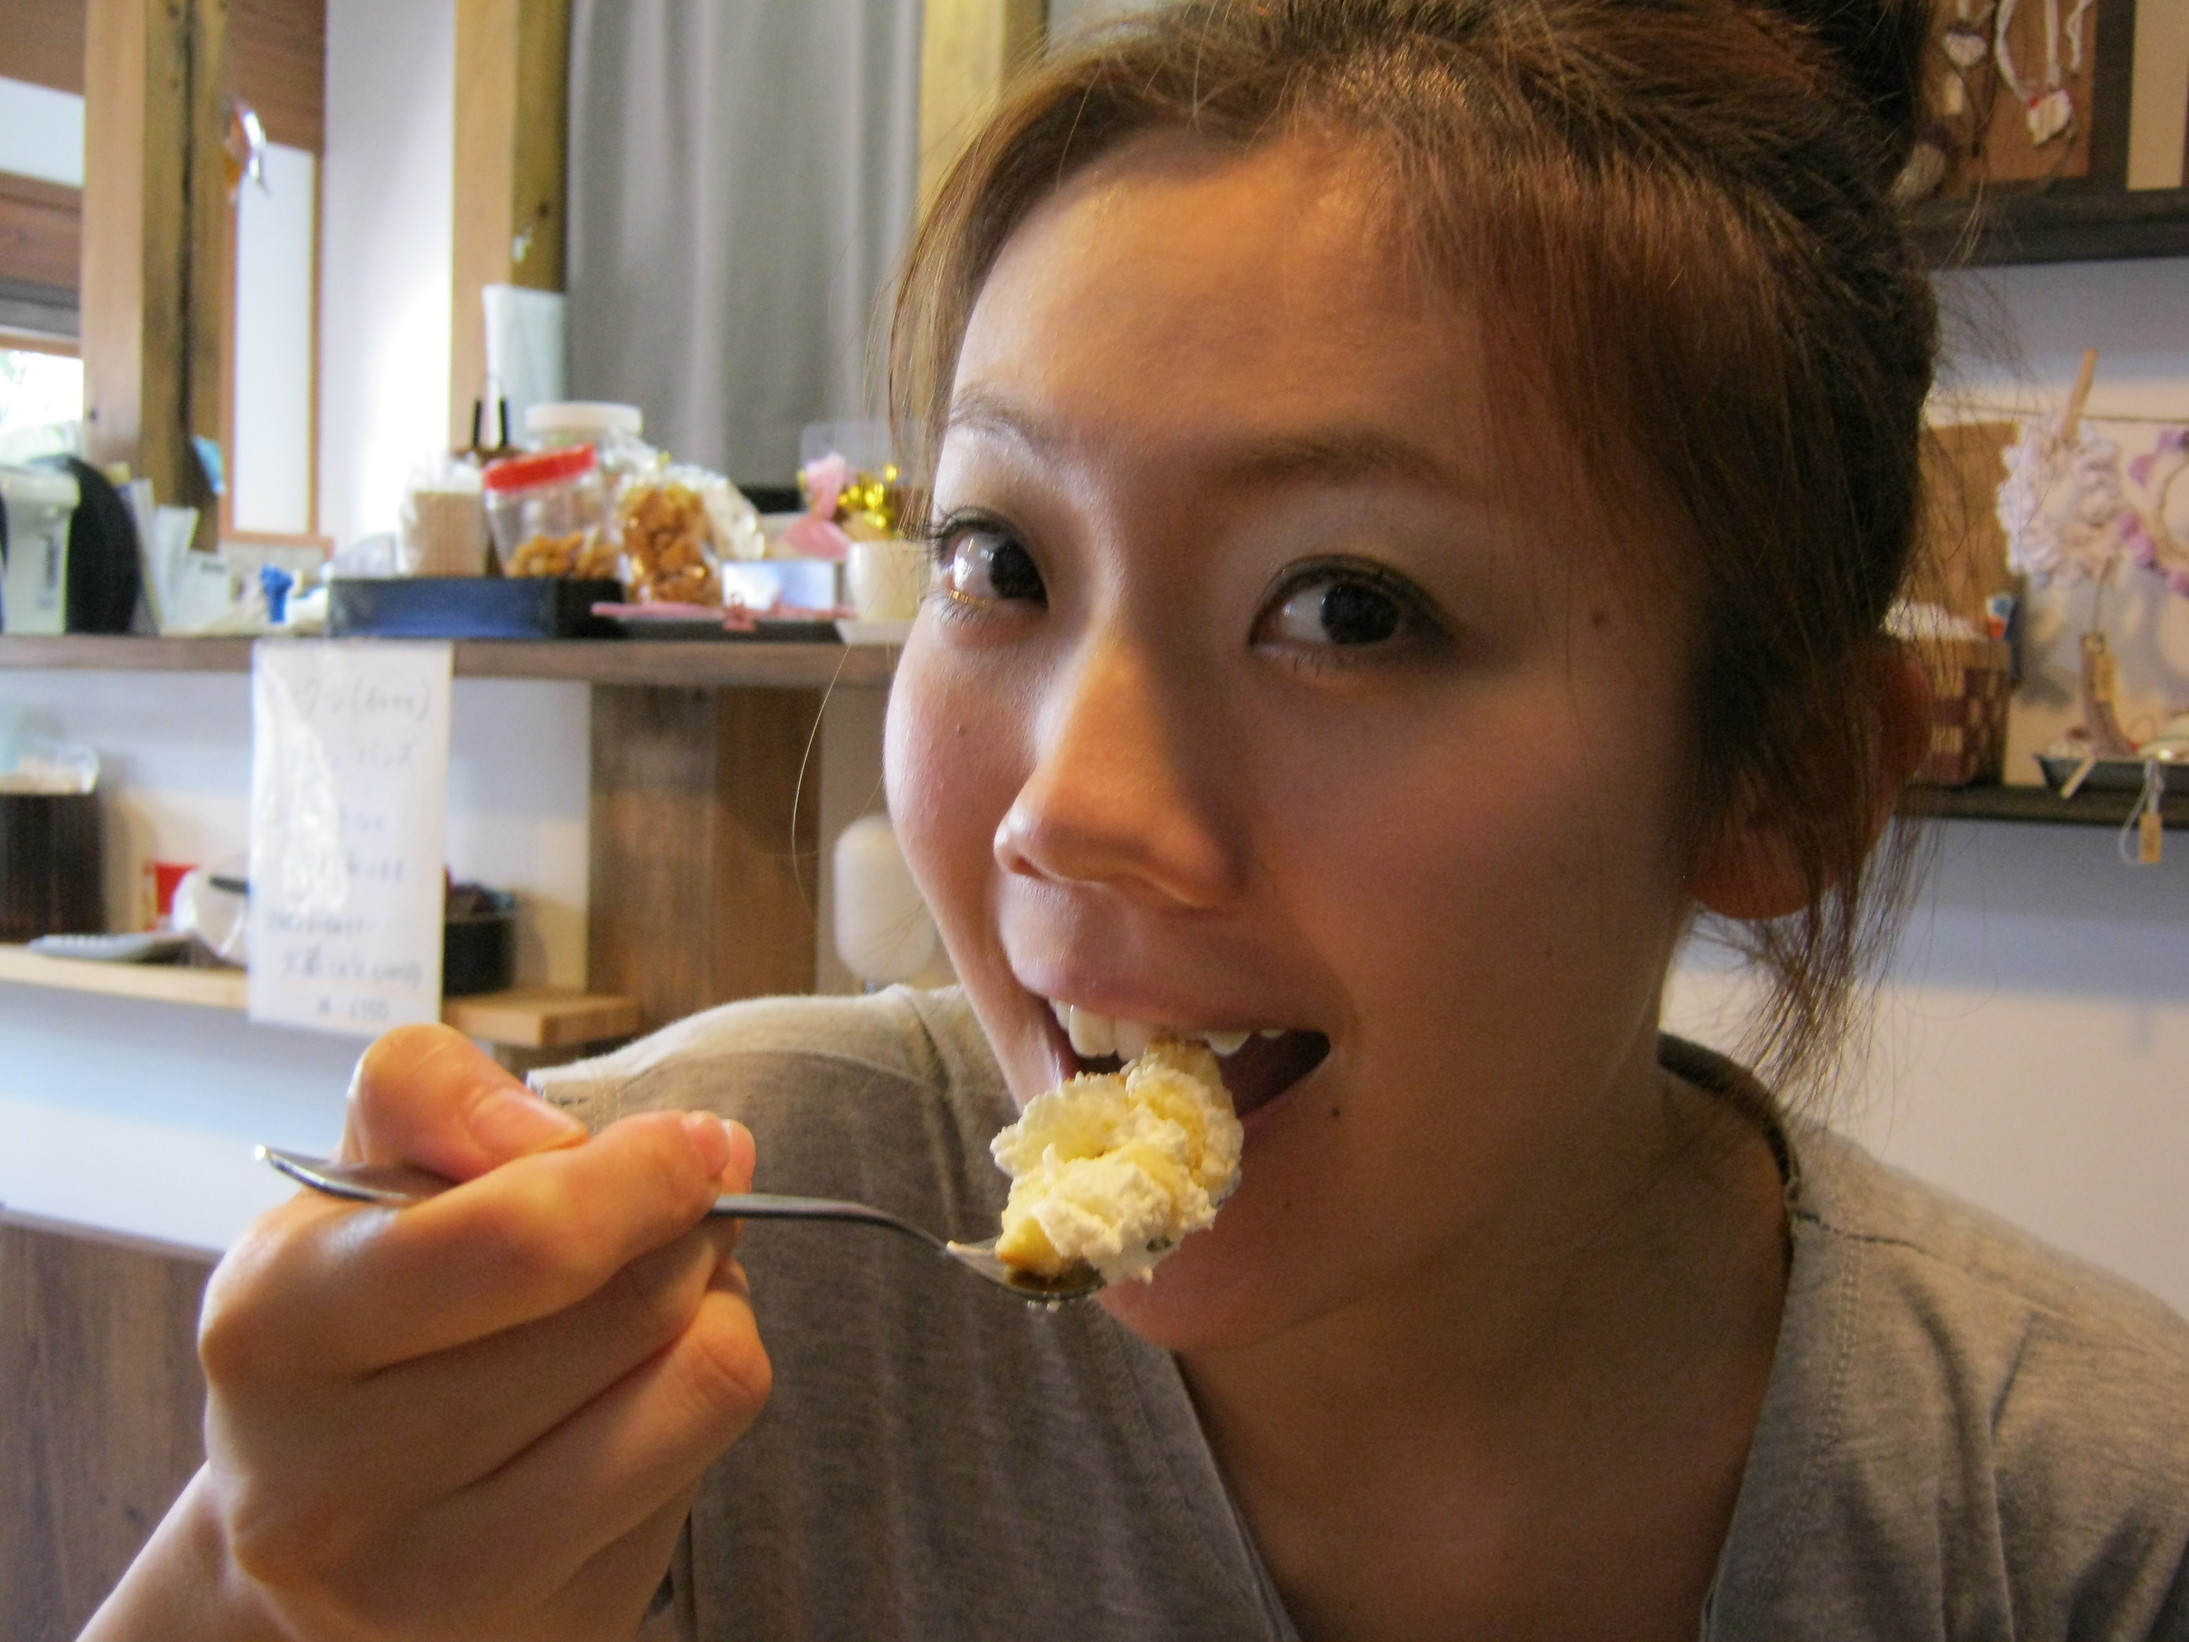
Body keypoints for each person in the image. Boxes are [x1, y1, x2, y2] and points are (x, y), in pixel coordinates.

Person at [89, 2, 2189, 1638]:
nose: (1064, 815)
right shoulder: (645, 1308)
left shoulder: (2071, 1526)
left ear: (1779, 777)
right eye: (999, 559)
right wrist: (284, 1591)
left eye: (1347, 607)